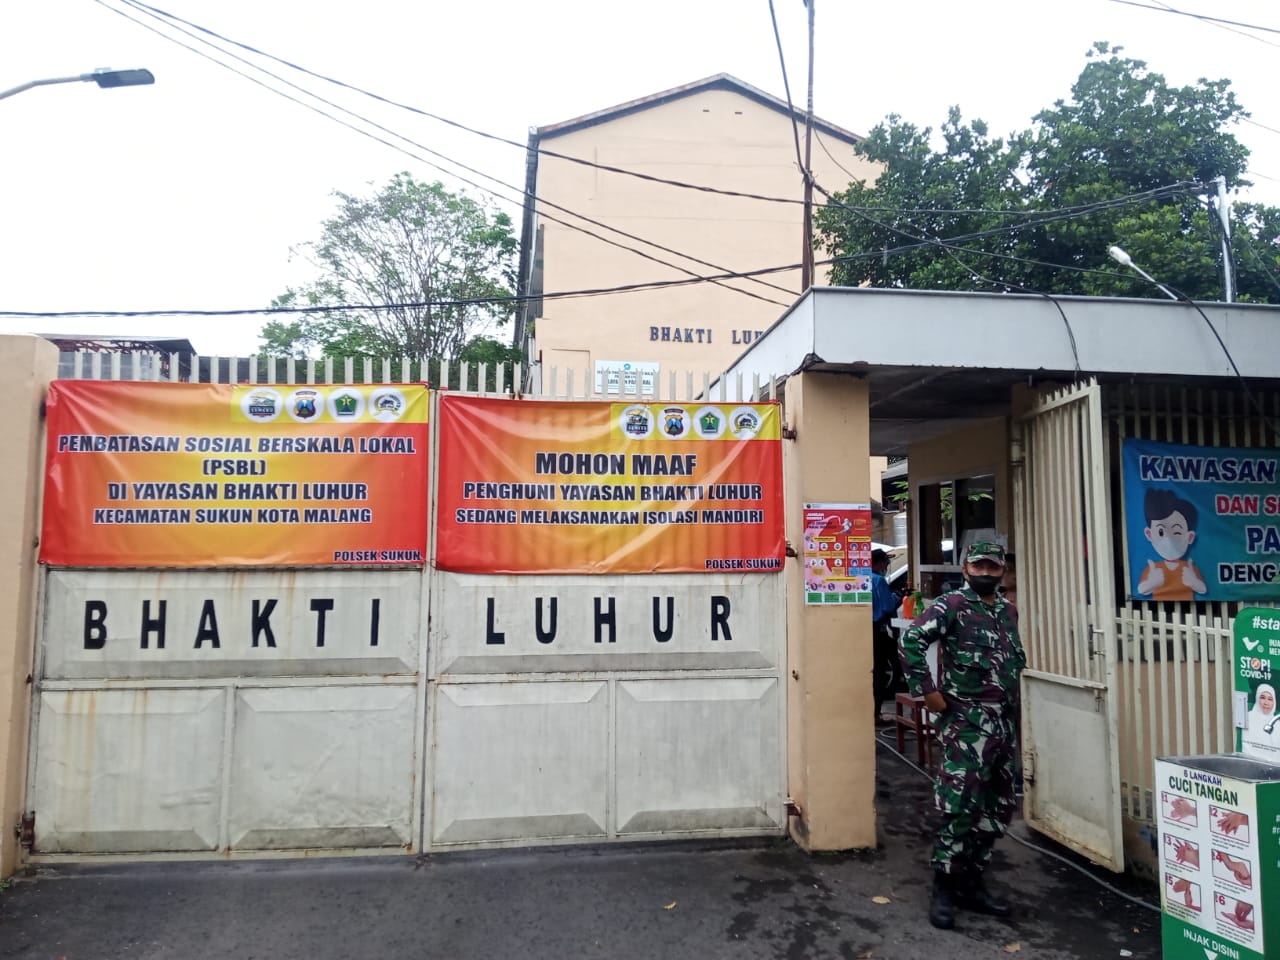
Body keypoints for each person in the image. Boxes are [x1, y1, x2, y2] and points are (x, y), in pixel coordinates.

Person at [899, 540, 1025, 931]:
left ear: (1001, 569)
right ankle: (944, 887)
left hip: (1002, 725)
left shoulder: (1008, 612)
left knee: (998, 808)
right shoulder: (952, 605)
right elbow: (911, 640)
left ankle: (973, 883)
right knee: (960, 807)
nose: (986, 572)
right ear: (966, 567)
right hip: (966, 726)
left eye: (993, 566)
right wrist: (930, 693)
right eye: (979, 565)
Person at [1137, 488, 1207, 600]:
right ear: (1149, 534)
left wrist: (1193, 582)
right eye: (1161, 532)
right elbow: (1140, 590)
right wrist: (1151, 583)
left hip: (1188, 614)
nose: (1168, 539)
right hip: (1158, 614)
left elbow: (1203, 589)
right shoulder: (1153, 569)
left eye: (1177, 532)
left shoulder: (1189, 568)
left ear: (1190, 537)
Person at [870, 548, 903, 722]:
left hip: (866, 629)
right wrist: (898, 596)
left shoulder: (862, 578)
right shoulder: (879, 581)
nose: (887, 566)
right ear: (880, 563)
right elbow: (888, 607)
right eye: (886, 563)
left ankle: (873, 712)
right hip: (879, 630)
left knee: (873, 670)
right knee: (881, 672)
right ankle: (876, 714)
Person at [1241, 683, 1279, 761]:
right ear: (1257, 698)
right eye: (1262, 697)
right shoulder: (1249, 717)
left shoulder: (1276, 723)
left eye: (1270, 699)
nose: (1266, 702)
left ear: (1274, 702)